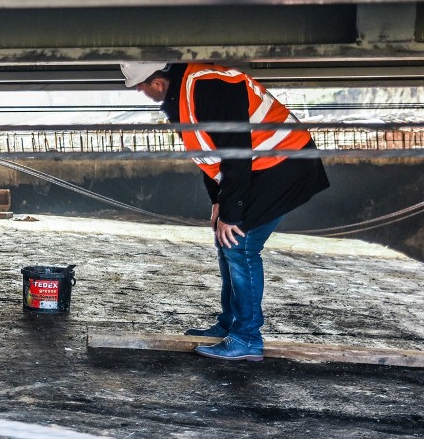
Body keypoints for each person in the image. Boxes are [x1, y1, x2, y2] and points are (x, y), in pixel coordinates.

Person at [121, 61, 329, 361]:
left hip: (284, 164)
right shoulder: (183, 96)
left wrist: (232, 214)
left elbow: (236, 151)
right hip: (261, 169)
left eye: (140, 86)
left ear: (157, 83)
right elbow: (210, 155)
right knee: (227, 241)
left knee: (241, 245)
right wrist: (220, 202)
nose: (140, 91)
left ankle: (247, 338)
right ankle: (229, 325)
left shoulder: (207, 85)